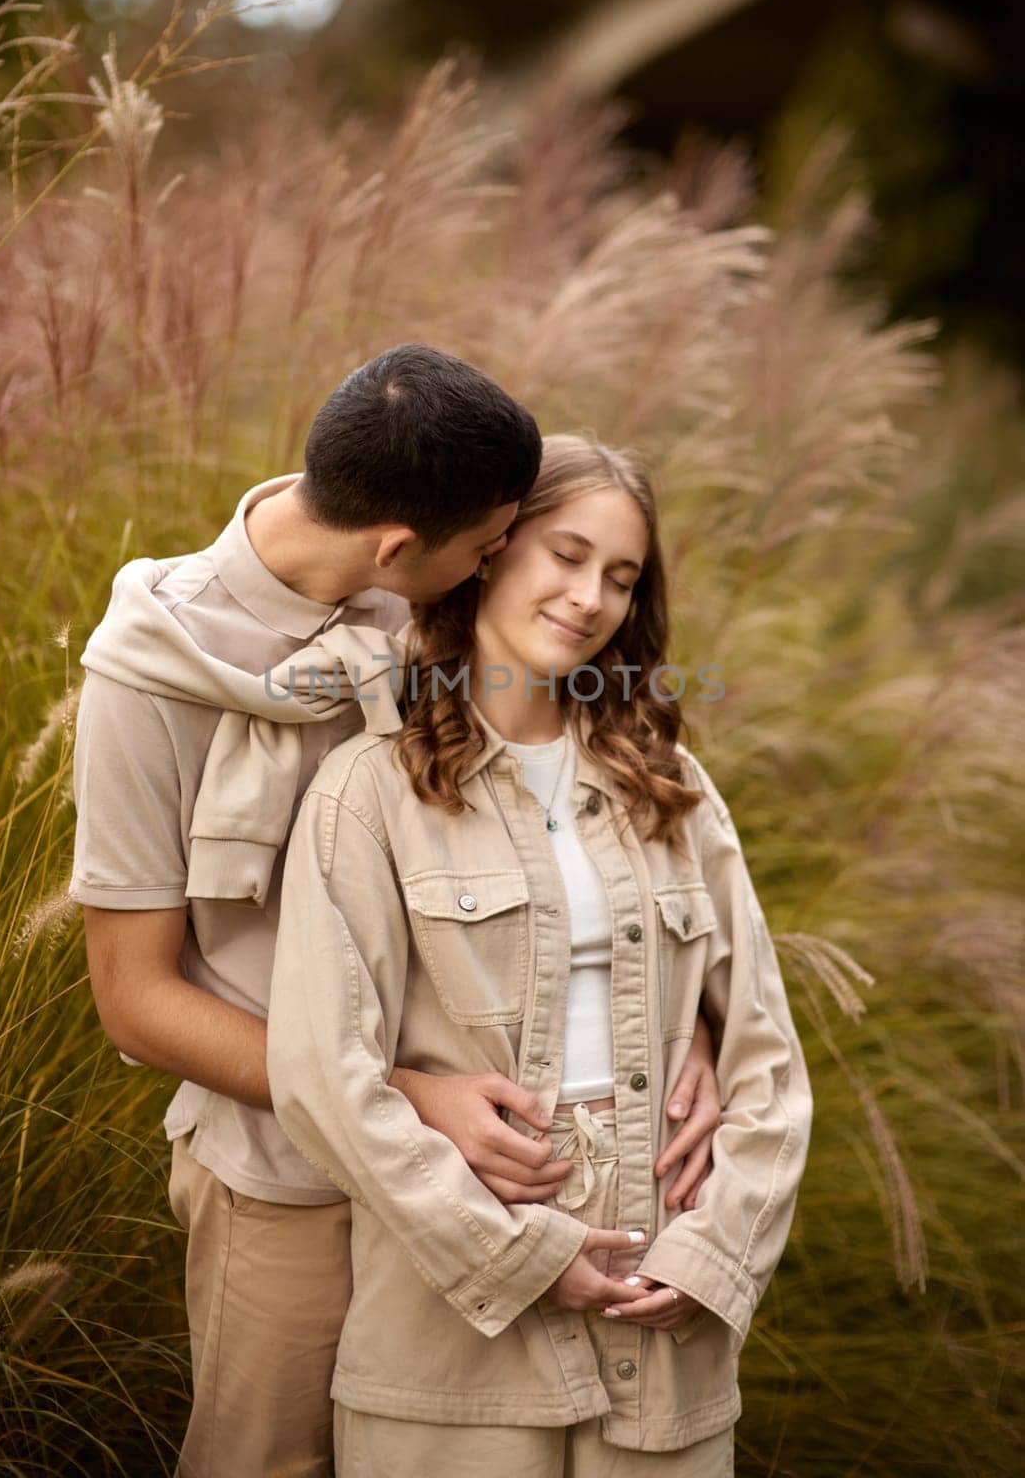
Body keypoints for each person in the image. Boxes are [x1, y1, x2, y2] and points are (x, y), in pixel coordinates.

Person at [69, 348, 725, 1478]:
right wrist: (404, 1096)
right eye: (492, 547)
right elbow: (135, 1002)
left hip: (494, 1171)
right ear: (397, 551)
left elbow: (598, 833)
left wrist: (687, 1025)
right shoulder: (149, 680)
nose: (503, 565)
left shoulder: (424, 553)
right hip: (291, 1176)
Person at [267, 433, 814, 1477]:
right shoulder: (371, 791)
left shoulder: (673, 788)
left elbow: (766, 1057)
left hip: (668, 1319)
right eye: (566, 554)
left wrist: (715, 1256)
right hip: (450, 1340)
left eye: (621, 575)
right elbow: (323, 1073)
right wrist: (512, 1255)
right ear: (491, 551)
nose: (590, 596)